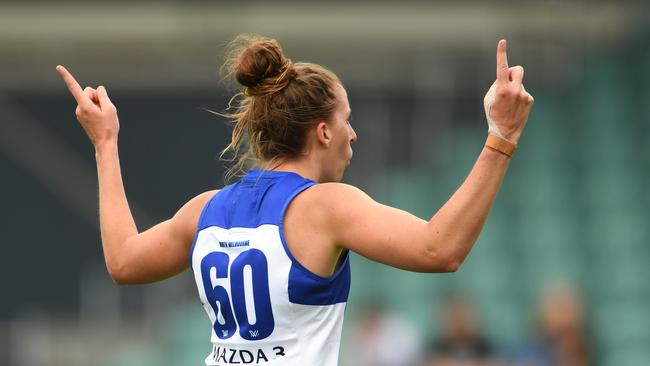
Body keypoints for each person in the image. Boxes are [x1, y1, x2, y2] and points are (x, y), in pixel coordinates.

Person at [56, 35, 533, 366]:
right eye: (347, 119)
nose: (354, 133)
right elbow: (440, 249)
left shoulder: (206, 210)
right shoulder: (326, 207)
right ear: (323, 132)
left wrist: (105, 144)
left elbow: (122, 261)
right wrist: (501, 136)